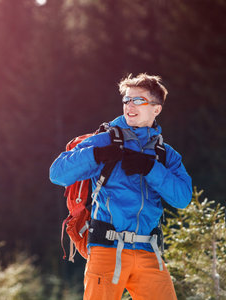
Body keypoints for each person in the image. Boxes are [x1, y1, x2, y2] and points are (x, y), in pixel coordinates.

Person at [49, 73, 192, 300]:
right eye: (126, 100)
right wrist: (97, 154)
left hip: (149, 252)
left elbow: (183, 198)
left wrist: (150, 168)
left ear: (156, 109)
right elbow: (57, 174)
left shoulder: (165, 155)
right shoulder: (106, 139)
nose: (129, 106)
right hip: (107, 249)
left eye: (138, 100)